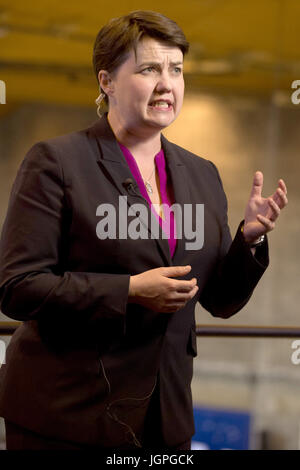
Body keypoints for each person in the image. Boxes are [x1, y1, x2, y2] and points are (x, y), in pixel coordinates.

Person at [0, 10, 287, 450]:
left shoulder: (202, 174)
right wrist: (128, 290)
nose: (166, 84)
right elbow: (18, 287)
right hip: (68, 414)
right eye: (148, 69)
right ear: (107, 81)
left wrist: (248, 240)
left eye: (176, 70)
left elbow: (220, 302)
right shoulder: (57, 162)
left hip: (164, 417)